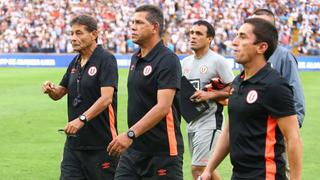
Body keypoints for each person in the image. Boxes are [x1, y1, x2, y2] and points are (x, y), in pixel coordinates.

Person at [200, 18, 302, 180]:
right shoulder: (237, 82)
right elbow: (228, 131)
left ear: (261, 47)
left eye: (242, 37)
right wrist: (208, 169)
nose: (234, 42)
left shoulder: (275, 85)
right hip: (239, 174)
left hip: (266, 175)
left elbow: (293, 137)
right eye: (236, 36)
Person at [107, 5, 184, 180]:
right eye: (132, 22)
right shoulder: (136, 58)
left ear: (155, 27)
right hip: (134, 149)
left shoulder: (168, 60)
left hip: (162, 152)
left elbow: (163, 107)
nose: (132, 26)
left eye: (139, 23)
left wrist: (129, 134)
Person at [42, 14, 119, 180]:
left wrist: (81, 120)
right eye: (71, 34)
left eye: (78, 33)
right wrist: (50, 89)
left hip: (102, 144)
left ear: (94, 34)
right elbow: (59, 93)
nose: (73, 38)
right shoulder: (75, 62)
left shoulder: (106, 59)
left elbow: (106, 98)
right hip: (74, 145)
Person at [181, 20, 234, 180]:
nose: (193, 36)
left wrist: (210, 95)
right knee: (202, 170)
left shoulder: (218, 61)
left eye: (198, 33)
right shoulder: (185, 63)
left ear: (209, 38)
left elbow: (234, 89)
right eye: (191, 33)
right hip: (191, 122)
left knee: (199, 168)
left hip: (210, 121)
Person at [251, 8, 305, 128]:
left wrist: (293, 127)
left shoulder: (283, 56)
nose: (254, 28)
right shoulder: (248, 55)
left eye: (260, 25)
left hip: (276, 131)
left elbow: (295, 92)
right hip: (253, 130)